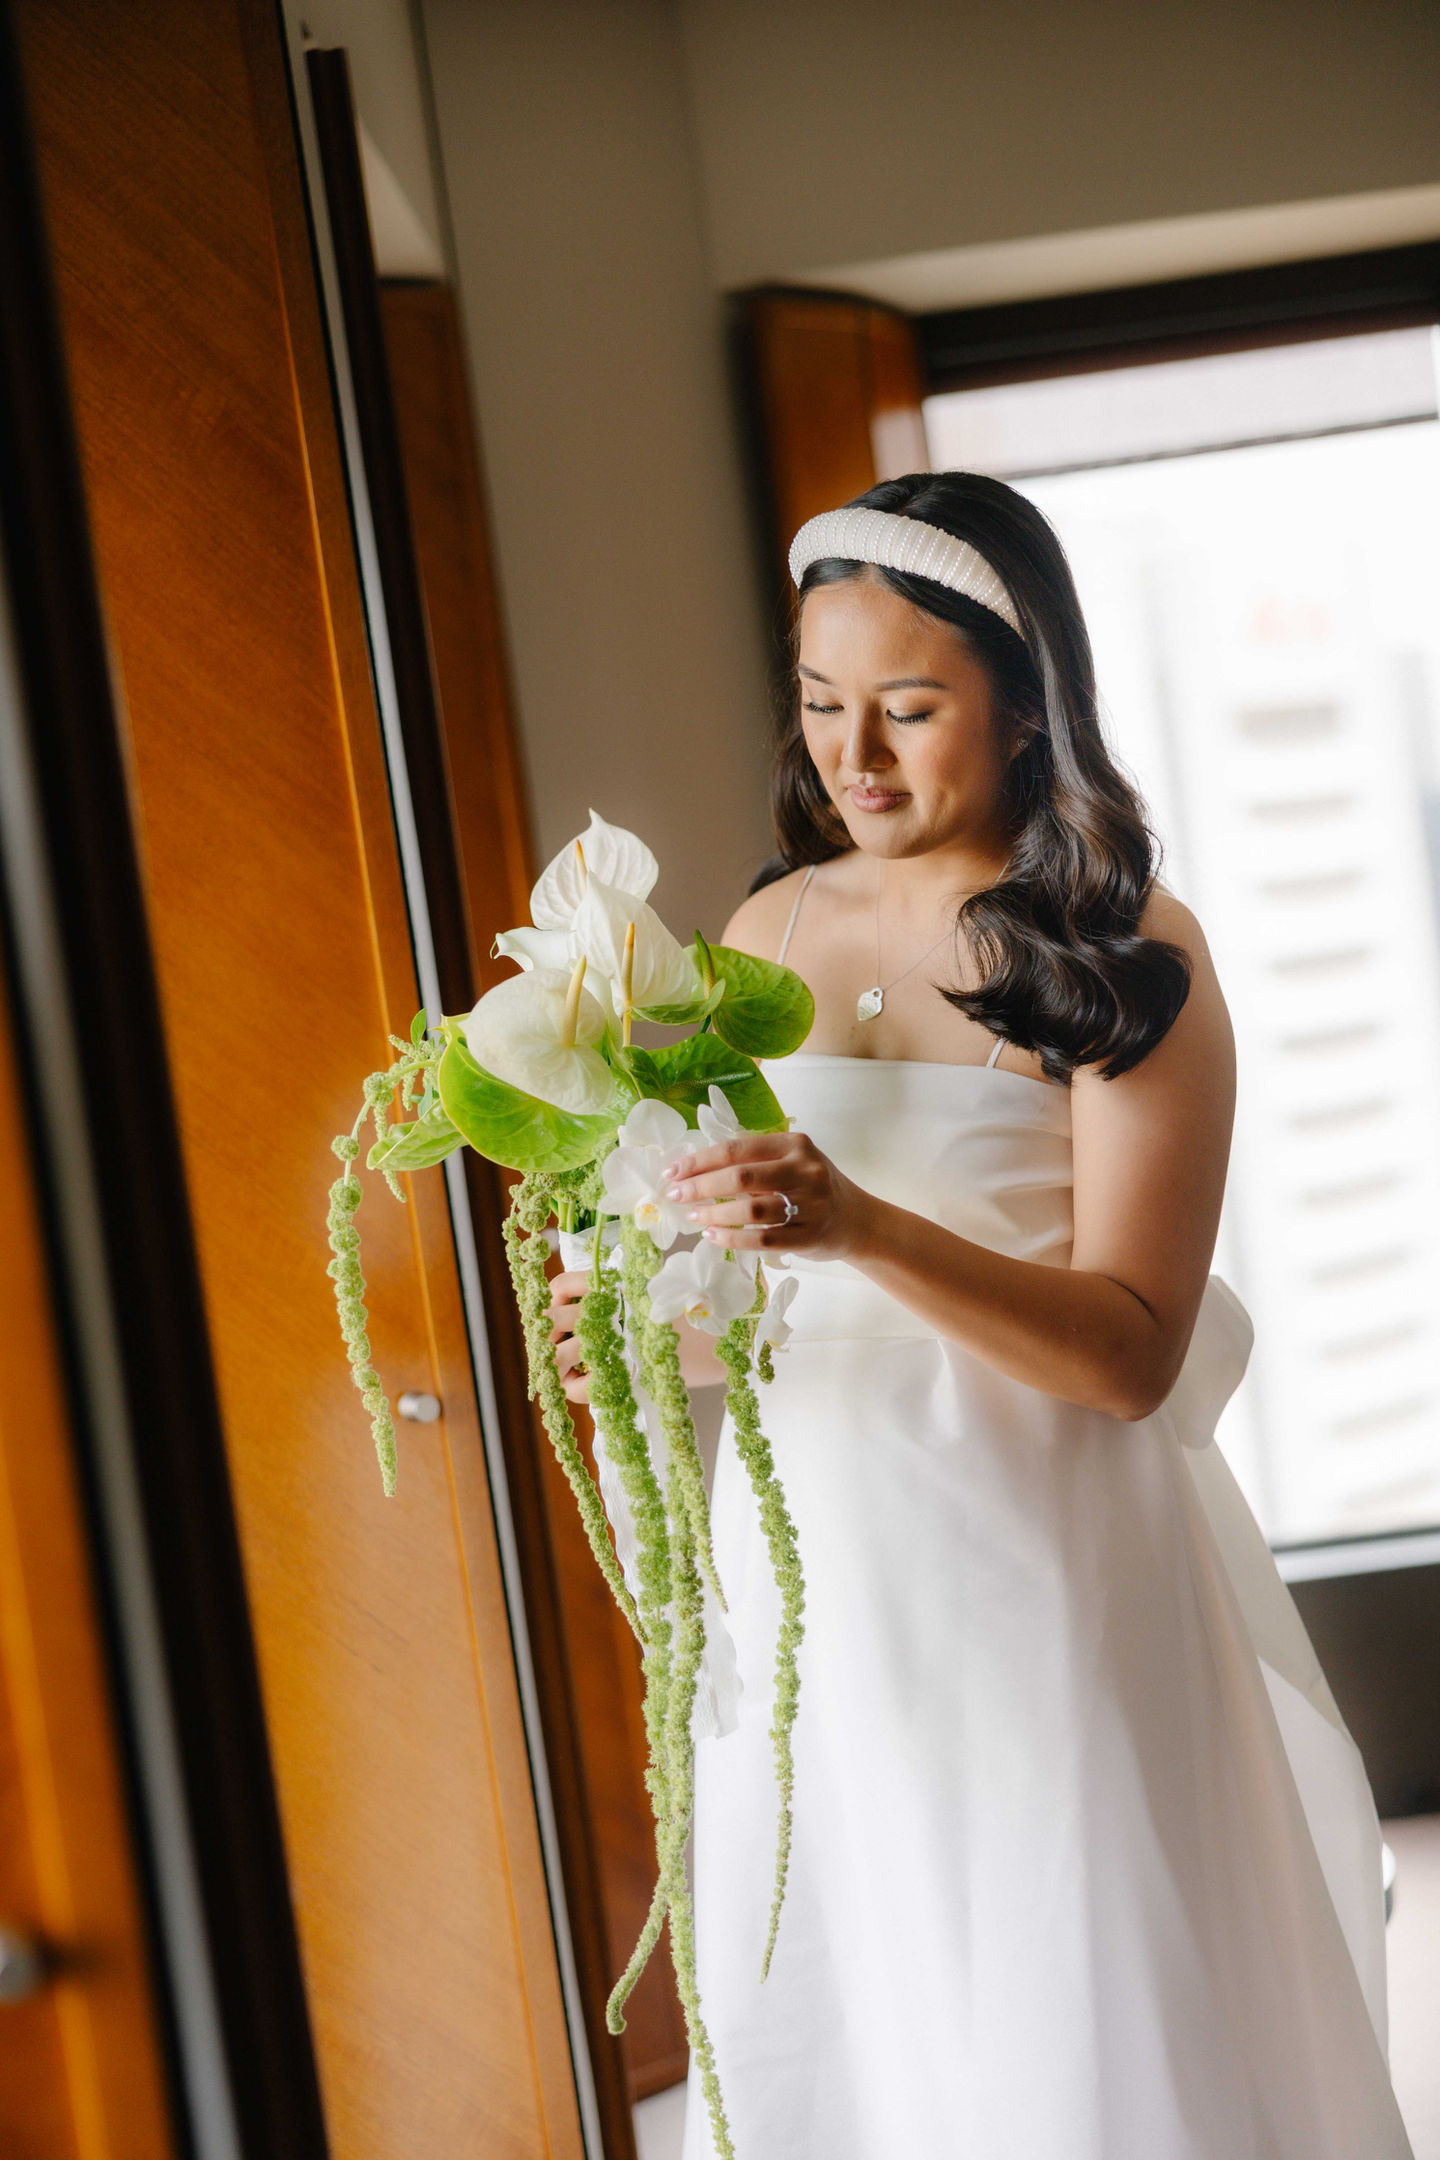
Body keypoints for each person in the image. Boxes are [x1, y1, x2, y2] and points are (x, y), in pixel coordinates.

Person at [550, 472, 1413, 2158]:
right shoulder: (768, 926)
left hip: (1032, 1551)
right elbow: (752, 1286)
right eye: (819, 705)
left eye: (908, 708)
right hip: (809, 1564)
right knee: (860, 1988)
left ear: (1026, 708)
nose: (853, 758)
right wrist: (647, 1346)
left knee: (1049, 1987)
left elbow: (1131, 1352)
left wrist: (862, 1223)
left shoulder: (1122, 951)